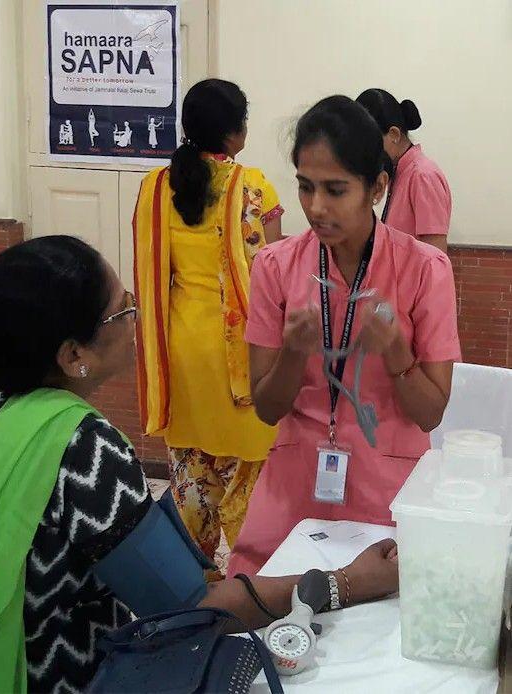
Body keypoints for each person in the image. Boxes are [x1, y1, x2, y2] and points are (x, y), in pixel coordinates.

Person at [0, 236, 398, 693]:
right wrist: (346, 583)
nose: (136, 318)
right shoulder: (80, 449)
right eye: (123, 310)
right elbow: (192, 610)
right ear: (73, 354)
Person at [228, 96, 461, 576]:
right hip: (296, 480)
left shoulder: (425, 270)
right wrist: (293, 354)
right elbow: (268, 408)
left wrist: (396, 352)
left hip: (389, 484)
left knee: (381, 606)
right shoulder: (275, 266)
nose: (316, 208)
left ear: (376, 187)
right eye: (305, 187)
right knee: (253, 593)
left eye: (335, 190)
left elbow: (431, 413)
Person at [134, 79, 284, 570]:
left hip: (181, 351)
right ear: (235, 131)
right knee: (248, 479)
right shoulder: (253, 188)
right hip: (242, 354)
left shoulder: (157, 187)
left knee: (192, 481)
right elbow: (273, 276)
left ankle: (194, 583)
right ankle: (250, 579)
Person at [356, 88, 452, 253]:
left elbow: (435, 255)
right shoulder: (398, 172)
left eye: (370, 143)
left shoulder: (422, 176)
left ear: (394, 134)